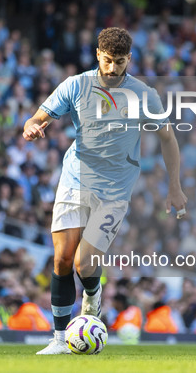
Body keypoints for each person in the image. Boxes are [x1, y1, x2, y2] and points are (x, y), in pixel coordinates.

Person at [23, 27, 187, 355]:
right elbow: (39, 115)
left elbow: (168, 139)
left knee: (85, 262)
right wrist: (31, 125)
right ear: (98, 54)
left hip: (115, 189)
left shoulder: (144, 95)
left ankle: (93, 299)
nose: (113, 69)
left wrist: (175, 186)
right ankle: (58, 340)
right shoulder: (76, 85)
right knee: (62, 259)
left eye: (121, 61)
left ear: (130, 59)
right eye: (109, 61)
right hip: (75, 179)